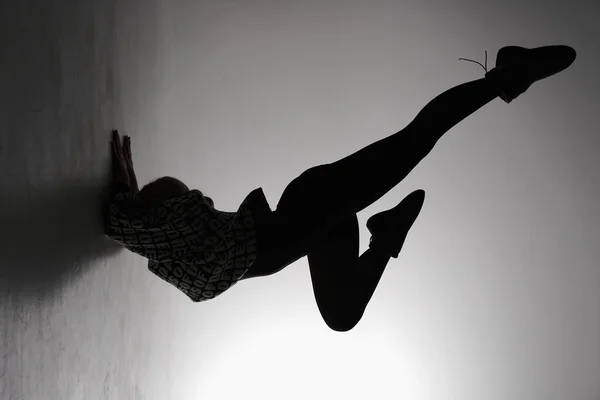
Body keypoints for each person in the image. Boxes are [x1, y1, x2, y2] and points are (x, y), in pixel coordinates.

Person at [105, 45, 576, 332]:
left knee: (415, 141)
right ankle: (386, 232)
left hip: (313, 204)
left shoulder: (187, 234)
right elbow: (139, 227)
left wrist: (129, 200)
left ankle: (503, 78)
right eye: (172, 197)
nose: (191, 198)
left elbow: (124, 223)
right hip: (314, 221)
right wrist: (134, 198)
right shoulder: (180, 254)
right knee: (341, 314)